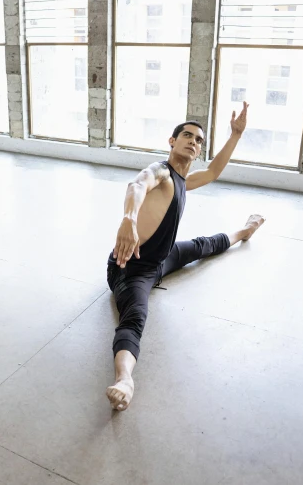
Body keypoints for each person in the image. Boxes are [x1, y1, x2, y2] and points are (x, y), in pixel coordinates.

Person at [105, 101, 265, 411]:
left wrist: (235, 135)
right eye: (187, 136)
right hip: (131, 269)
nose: (193, 141)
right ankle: (125, 379)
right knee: (136, 316)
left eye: (198, 140)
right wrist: (129, 219)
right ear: (172, 141)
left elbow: (215, 171)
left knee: (204, 245)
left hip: (161, 260)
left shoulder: (184, 180)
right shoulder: (162, 172)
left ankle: (244, 232)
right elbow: (138, 184)